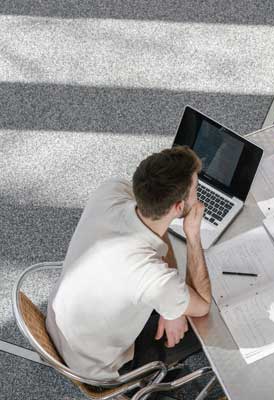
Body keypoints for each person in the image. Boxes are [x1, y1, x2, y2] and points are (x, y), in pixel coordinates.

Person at [46, 146, 211, 380]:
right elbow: (203, 304)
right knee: (207, 321)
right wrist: (193, 235)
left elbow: (153, 223)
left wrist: (172, 308)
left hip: (57, 326)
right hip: (95, 368)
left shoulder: (110, 190)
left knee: (174, 303)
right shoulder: (152, 276)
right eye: (196, 189)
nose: (198, 195)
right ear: (177, 207)